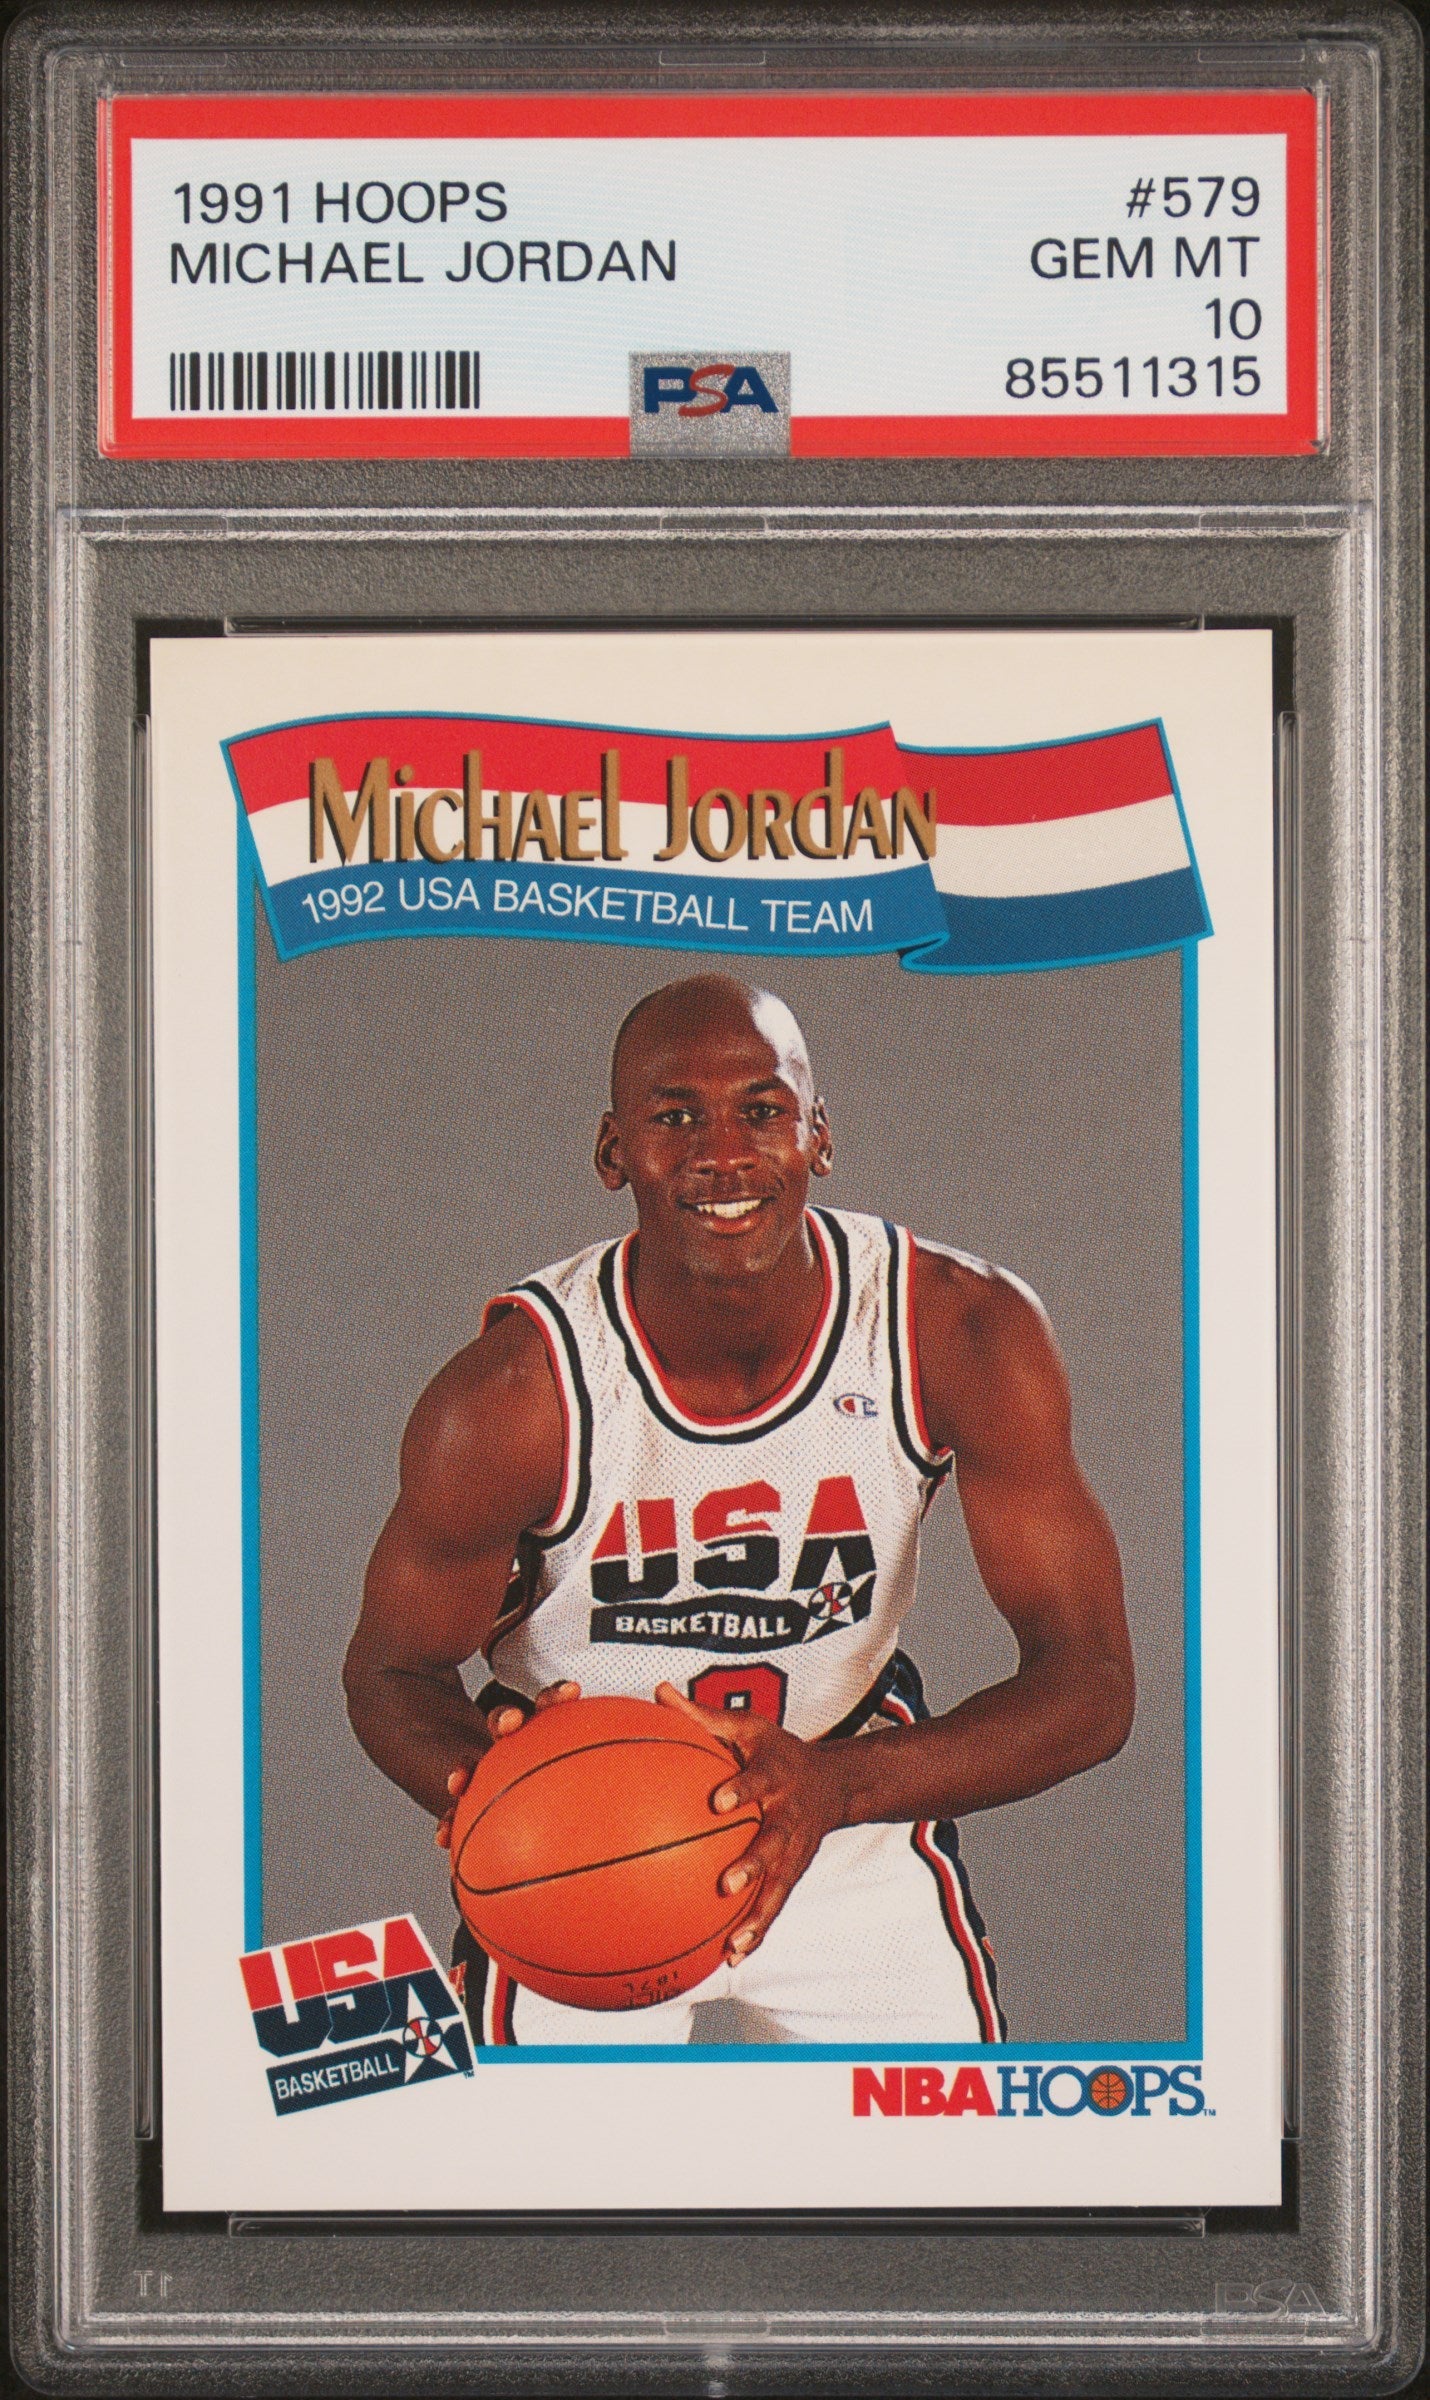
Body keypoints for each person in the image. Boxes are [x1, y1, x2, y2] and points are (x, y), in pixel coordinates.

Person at [344, 973, 1133, 2046]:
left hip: (849, 1804)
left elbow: (1090, 1686)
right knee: (538, 2157)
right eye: (675, 1118)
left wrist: (836, 1786)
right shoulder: (516, 1395)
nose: (723, 1153)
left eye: (761, 1110)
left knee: (946, 2153)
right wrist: (493, 1792)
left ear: (818, 1134)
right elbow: (390, 1670)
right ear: (613, 1152)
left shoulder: (954, 1331)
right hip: (593, 1833)